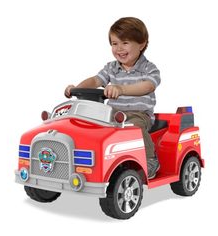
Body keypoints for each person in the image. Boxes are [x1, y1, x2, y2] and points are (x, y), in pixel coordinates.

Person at [65, 17, 161, 179]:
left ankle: (150, 159)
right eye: (114, 44)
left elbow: (148, 86)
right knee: (89, 126)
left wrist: (121, 89)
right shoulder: (111, 68)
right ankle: (87, 159)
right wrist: (76, 88)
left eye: (125, 43)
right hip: (112, 114)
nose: (119, 48)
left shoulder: (149, 68)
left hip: (138, 114)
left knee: (134, 127)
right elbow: (96, 80)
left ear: (142, 44)